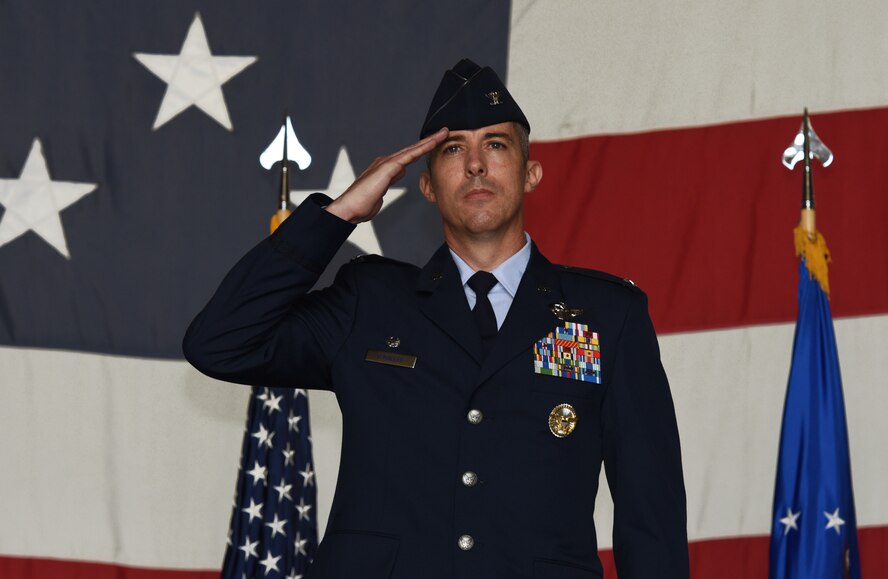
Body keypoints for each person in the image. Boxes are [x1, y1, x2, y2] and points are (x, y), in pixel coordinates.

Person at [184, 59, 688, 579]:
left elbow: (651, 515)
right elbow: (219, 342)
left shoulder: (608, 316)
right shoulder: (370, 301)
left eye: (496, 145)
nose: (476, 165)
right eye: (453, 150)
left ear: (530, 174)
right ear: (426, 186)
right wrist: (337, 215)